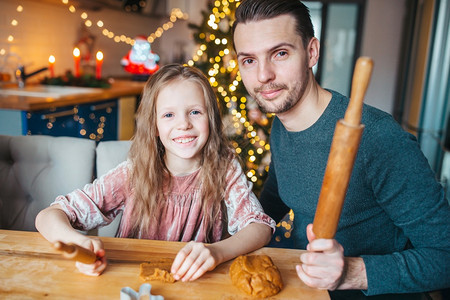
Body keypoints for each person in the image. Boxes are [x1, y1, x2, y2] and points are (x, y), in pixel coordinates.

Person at [232, 0, 450, 299]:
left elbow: (445, 256)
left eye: (280, 54)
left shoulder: (377, 138)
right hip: (302, 287)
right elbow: (274, 200)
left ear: (311, 52)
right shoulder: (282, 123)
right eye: (249, 60)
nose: (263, 76)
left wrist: (351, 272)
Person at [35, 64, 275, 281]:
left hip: (199, 284)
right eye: (169, 115)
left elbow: (259, 227)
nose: (184, 124)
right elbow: (48, 217)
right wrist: (79, 243)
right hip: (133, 284)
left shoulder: (224, 169)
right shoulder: (134, 173)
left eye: (195, 112)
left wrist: (217, 251)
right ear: (155, 126)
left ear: (210, 118)